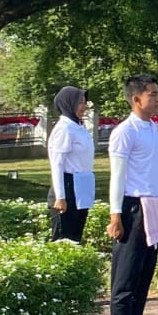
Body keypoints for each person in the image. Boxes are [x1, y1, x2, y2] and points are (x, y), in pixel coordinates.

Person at [107, 74, 158, 315]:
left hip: (152, 205)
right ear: (136, 99)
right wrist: (115, 215)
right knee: (126, 277)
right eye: (153, 95)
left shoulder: (151, 129)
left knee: (144, 275)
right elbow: (117, 177)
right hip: (132, 207)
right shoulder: (125, 132)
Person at [46, 87, 95, 243]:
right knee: (63, 241)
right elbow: (57, 165)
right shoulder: (64, 129)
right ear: (69, 104)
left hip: (81, 187)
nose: (84, 106)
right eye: (80, 102)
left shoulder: (79, 127)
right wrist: (60, 197)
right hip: (67, 188)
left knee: (76, 239)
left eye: (85, 102)